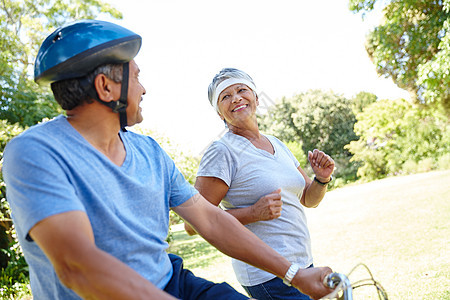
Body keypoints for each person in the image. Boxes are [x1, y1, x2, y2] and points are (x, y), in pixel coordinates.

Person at [2, 20, 334, 300]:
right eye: (137, 76)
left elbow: (209, 219)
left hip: (170, 282)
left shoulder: (150, 152)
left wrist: (294, 274)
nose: (144, 89)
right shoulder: (35, 152)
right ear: (106, 87)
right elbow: (77, 265)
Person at [184, 68, 335, 300]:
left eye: (241, 90)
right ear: (219, 113)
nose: (235, 98)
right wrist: (252, 213)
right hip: (266, 274)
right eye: (225, 96)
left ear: (255, 97)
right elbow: (193, 224)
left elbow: (308, 199)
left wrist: (321, 178)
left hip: (302, 262)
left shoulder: (276, 143)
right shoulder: (222, 151)